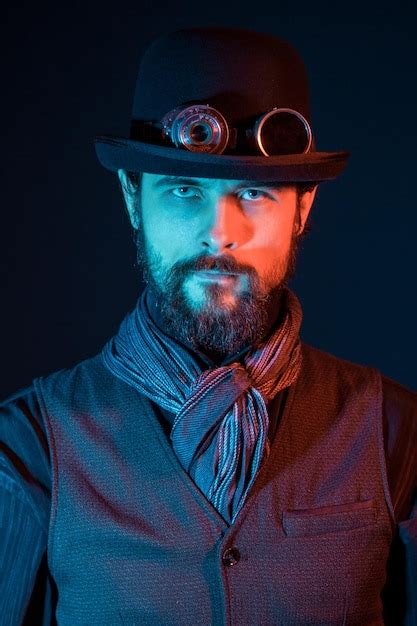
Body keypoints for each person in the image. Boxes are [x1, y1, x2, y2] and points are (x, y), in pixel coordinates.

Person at [0, 26, 416, 626]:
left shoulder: (394, 435)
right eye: (184, 189)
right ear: (131, 197)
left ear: (303, 208)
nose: (219, 232)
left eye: (254, 192)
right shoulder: (29, 446)